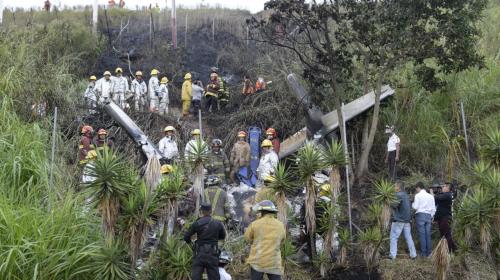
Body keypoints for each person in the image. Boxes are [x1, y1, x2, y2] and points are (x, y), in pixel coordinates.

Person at [244, 200, 286, 280]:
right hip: (274, 262)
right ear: (273, 212)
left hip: (257, 261)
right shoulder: (280, 225)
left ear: (262, 212)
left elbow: (247, 238)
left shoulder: (255, 224)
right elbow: (282, 241)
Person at [184, 203, 226, 280]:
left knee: (196, 276)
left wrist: (191, 243)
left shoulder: (197, 223)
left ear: (201, 211)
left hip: (199, 253)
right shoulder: (218, 223)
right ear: (211, 211)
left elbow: (186, 237)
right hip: (212, 253)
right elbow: (223, 236)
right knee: (214, 277)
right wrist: (214, 238)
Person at [389, 181, 417, 260]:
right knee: (408, 237)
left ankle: (392, 256)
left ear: (398, 187)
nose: (394, 188)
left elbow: (394, 205)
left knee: (393, 237)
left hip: (399, 220)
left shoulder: (398, 195)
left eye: (395, 186)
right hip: (407, 220)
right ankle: (413, 255)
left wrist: (388, 200)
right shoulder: (406, 195)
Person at [412, 182, 436, 257]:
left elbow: (415, 207)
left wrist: (412, 204)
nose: (416, 190)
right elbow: (433, 208)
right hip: (428, 216)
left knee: (422, 235)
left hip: (420, 215)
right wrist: (432, 216)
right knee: (428, 235)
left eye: (416, 189)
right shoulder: (430, 196)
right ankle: (429, 253)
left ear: (418, 187)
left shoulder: (418, 195)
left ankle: (423, 253)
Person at [431, 183, 457, 252]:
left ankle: (450, 250)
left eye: (445, 186)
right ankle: (452, 249)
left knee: (446, 235)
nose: (443, 187)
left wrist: (432, 193)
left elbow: (437, 197)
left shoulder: (448, 195)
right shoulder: (445, 195)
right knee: (445, 234)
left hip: (445, 218)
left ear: (448, 189)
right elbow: (436, 202)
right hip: (442, 218)